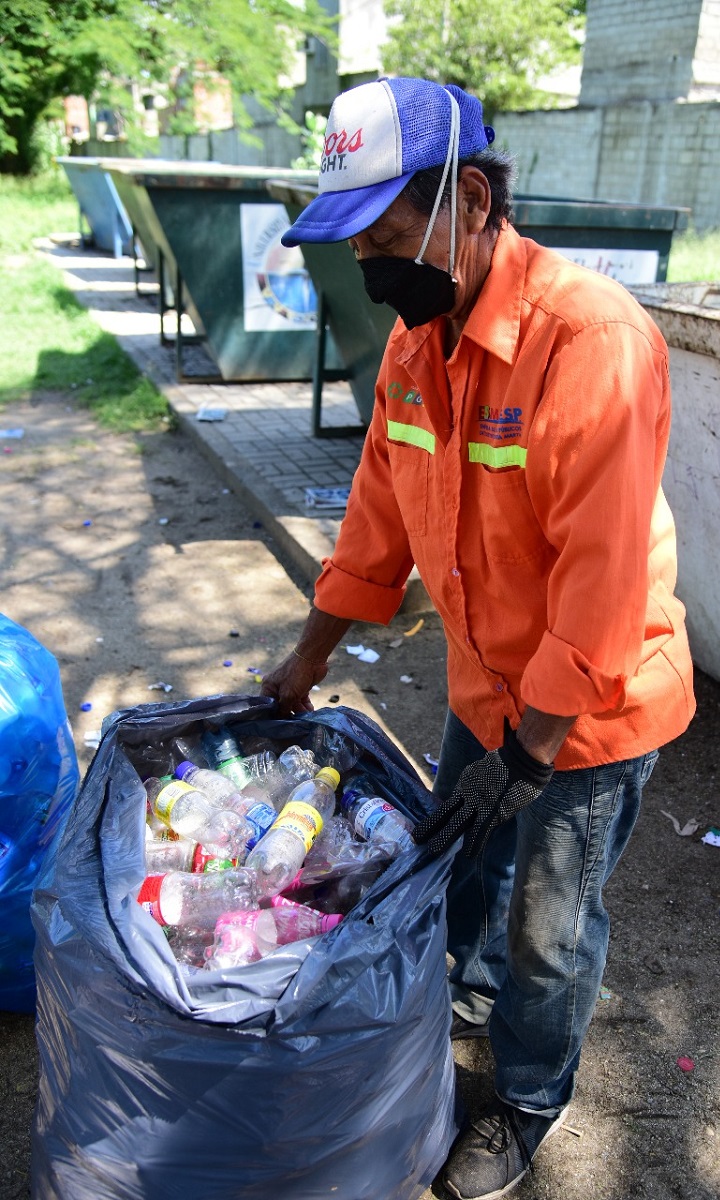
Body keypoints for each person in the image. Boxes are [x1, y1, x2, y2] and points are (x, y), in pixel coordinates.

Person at [260, 76, 696, 1200]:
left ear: (470, 200)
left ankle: (528, 1100)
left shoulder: (590, 340)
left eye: (385, 236)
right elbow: (374, 525)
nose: (370, 267)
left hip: (588, 708)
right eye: (354, 247)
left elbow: (601, 582)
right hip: (483, 684)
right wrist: (306, 661)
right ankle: (466, 998)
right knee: (457, 872)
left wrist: (530, 754)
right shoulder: (416, 345)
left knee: (552, 924)